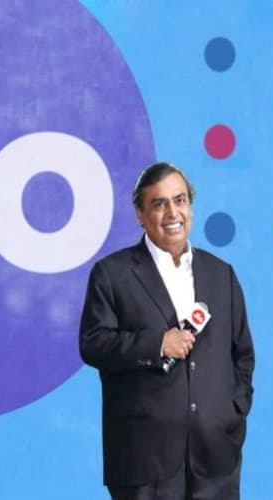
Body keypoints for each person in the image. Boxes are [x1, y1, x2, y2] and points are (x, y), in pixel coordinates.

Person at [79, 162, 255, 499]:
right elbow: (93, 344)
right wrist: (157, 345)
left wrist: (233, 411)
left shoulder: (221, 274)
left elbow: (242, 354)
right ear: (140, 214)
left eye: (180, 200)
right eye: (159, 204)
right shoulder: (112, 274)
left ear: (191, 207)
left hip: (216, 457)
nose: (173, 213)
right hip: (143, 458)